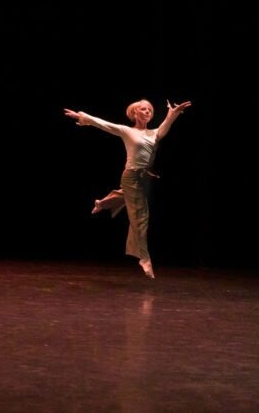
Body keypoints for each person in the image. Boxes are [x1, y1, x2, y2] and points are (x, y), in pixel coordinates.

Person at [64, 98, 192, 279]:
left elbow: (165, 126)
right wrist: (82, 117)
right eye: (143, 109)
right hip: (131, 176)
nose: (147, 112)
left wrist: (174, 113)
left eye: (150, 110)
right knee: (141, 216)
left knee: (130, 198)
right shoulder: (127, 131)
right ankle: (144, 258)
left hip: (144, 179)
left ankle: (102, 203)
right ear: (135, 113)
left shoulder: (154, 133)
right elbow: (104, 124)